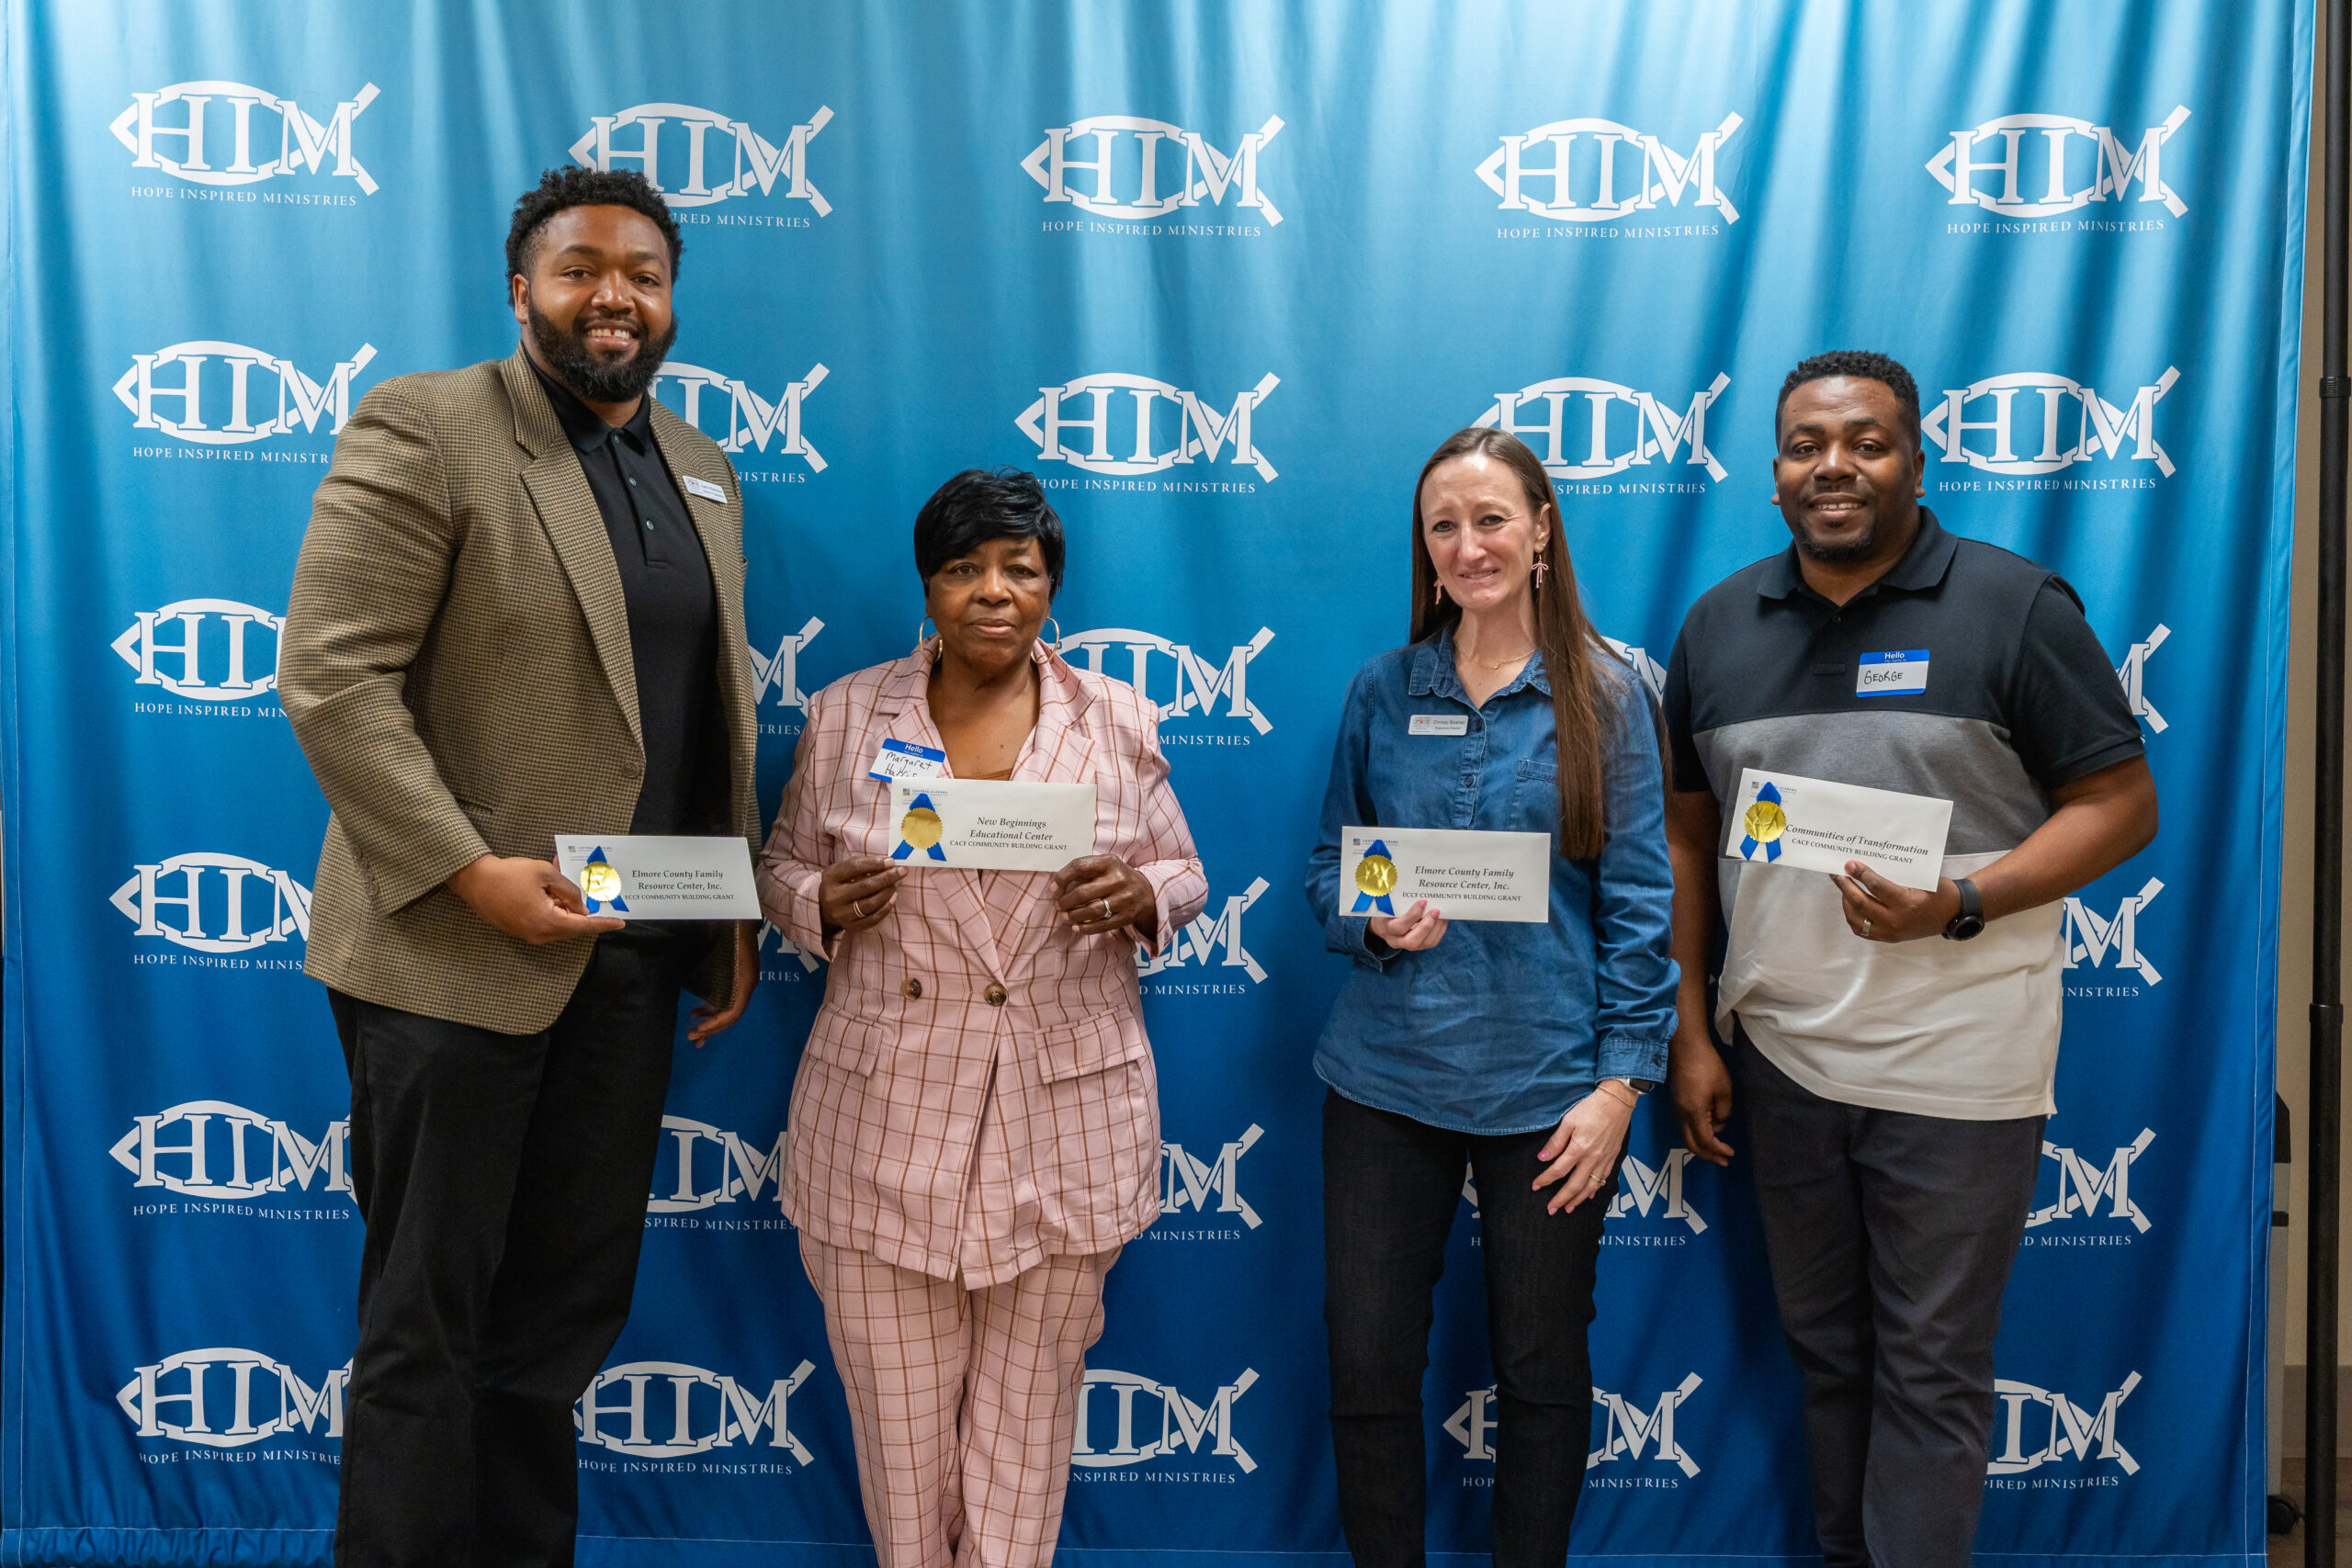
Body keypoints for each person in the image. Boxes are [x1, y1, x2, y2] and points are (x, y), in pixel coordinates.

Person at [279, 165, 762, 1565]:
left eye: (644, 275)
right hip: (452, 953)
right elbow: (331, 677)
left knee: (556, 1324)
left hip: (627, 958)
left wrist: (724, 911)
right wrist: (466, 869)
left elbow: (701, 714)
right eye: (581, 268)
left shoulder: (702, 466)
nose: (615, 296)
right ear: (521, 290)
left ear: (670, 302)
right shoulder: (428, 425)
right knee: (427, 1324)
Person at [1662, 351, 2158, 1568]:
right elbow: (1686, 831)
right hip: (1782, 1056)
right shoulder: (1718, 624)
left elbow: (2120, 804)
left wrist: (1963, 900)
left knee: (1931, 1373)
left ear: (1917, 462)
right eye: (1805, 445)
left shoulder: (2013, 605)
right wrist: (1691, 1027)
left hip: (1959, 1064)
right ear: (1775, 471)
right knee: (1830, 1358)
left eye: (1866, 442)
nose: (1832, 465)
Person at [755, 467, 1206, 1568]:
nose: (992, 591)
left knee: (1027, 1431)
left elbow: (1184, 871)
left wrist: (1140, 895)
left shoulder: (1119, 717)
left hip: (1065, 1126)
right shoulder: (847, 712)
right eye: (963, 569)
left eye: (1019, 568)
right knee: (899, 1438)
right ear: (928, 587)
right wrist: (821, 903)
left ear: (1052, 585)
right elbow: (779, 868)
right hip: (882, 1128)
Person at [1304, 426, 1679, 1568]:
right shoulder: (1383, 689)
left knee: (1541, 1368)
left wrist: (1620, 1088)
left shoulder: (1609, 694)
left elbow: (1640, 904)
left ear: (1541, 529)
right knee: (1369, 1366)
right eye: (1443, 526)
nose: (1467, 546)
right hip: (1385, 1079)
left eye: (1490, 520)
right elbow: (1330, 868)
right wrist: (1367, 917)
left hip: (1549, 1091)